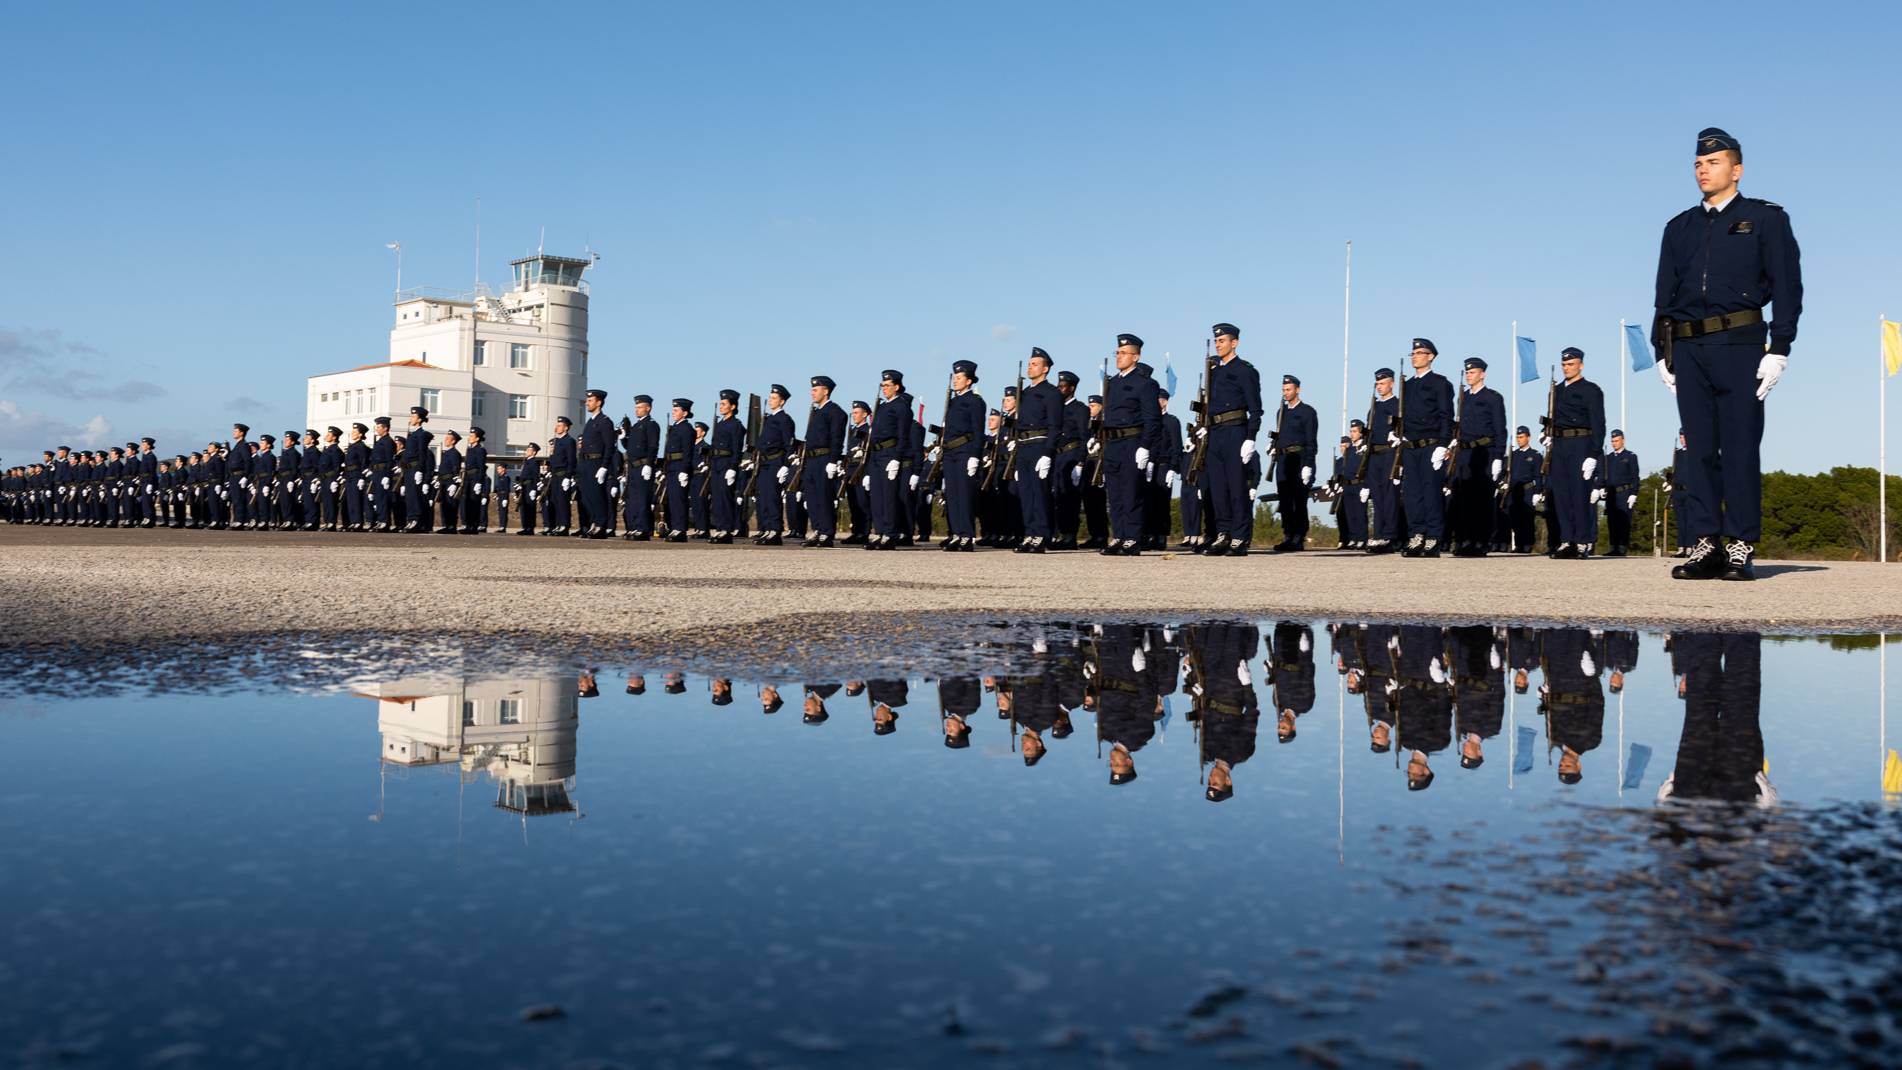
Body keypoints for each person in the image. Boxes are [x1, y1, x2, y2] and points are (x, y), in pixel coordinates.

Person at [1654, 127, 1802, 582]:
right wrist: (1664, 351)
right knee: (1697, 450)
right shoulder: (1679, 227)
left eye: (1713, 162)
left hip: (1740, 344)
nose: (1703, 169)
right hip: (1690, 348)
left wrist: (1779, 348)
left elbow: (1788, 287)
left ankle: (1739, 545)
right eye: (1698, 163)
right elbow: (1664, 295)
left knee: (1739, 448)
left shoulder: (1765, 219)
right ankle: (1705, 545)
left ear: (1736, 170)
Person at [1197, 323, 1264, 556]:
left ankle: (1239, 537)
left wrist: (1251, 437)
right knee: (1218, 488)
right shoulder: (1214, 372)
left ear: (1234, 343)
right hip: (1215, 433)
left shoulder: (1245, 371)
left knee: (1236, 487)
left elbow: (1255, 409)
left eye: (1222, 341)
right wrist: (1206, 426)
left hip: (1236, 431)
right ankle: (1223, 533)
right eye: (1216, 341)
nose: (1218, 344)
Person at [1100, 334, 1164, 556]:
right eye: (1117, 352)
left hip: (1132, 442)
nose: (1119, 356)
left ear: (1135, 357)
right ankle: (1118, 535)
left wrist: (1145, 446)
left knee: (1131, 493)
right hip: (1113, 443)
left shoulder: (1145, 383)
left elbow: (1152, 419)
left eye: (1123, 353)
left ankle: (1132, 538)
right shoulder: (1113, 383)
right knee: (1114, 494)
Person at [1542, 347, 1606, 559]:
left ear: (1581, 365)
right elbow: (1551, 419)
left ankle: (1582, 541)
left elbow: (1598, 423)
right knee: (1561, 495)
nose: (1566, 368)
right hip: (1559, 446)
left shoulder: (1591, 390)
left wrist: (1593, 454)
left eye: (1570, 364)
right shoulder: (1556, 391)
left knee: (1580, 495)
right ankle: (1566, 540)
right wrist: (1547, 435)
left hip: (1581, 443)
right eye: (1564, 364)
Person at [1397, 340, 1454, 557]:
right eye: (1412, 353)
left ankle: (1433, 537)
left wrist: (1443, 445)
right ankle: (1417, 534)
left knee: (1431, 493)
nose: (1415, 356)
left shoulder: (1440, 383)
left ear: (1431, 356)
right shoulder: (1407, 385)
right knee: (1412, 495)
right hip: (1410, 446)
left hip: (1430, 446)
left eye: (1419, 353)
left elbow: (1446, 416)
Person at [1451, 358, 1507, 557]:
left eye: (1472, 372)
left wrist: (1499, 456)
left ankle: (1482, 541)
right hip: (1465, 454)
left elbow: (1501, 429)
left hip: (1485, 452)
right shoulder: (1463, 398)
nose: (1468, 375)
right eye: (1467, 372)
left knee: (1482, 500)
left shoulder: (1493, 398)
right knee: (1464, 499)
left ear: (1482, 374)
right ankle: (1466, 539)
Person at [1011, 348, 1065, 552]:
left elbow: (1055, 426)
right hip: (1024, 447)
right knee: (1026, 493)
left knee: (1040, 493)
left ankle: (1042, 535)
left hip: (1039, 445)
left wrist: (1048, 453)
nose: (1030, 367)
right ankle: (1030, 533)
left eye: (1034, 364)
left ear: (1045, 369)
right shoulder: (1025, 393)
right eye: (1029, 363)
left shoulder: (1051, 393)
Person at [937, 360, 987, 552]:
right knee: (953, 495)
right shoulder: (954, 401)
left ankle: (967, 535)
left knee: (965, 495)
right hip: (950, 452)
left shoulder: (975, 402)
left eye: (959, 378)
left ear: (969, 381)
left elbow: (977, 430)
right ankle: (957, 533)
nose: (955, 381)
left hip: (965, 451)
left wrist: (975, 455)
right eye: (955, 378)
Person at [865, 371, 913, 550]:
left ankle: (890, 534)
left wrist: (896, 458)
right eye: (882, 386)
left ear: (897, 387)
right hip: (876, 455)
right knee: (877, 496)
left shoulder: (901, 406)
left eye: (887, 385)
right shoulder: (883, 407)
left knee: (889, 496)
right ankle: (880, 532)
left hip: (889, 453)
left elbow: (903, 435)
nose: (884, 389)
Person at [1270, 375, 1318, 552]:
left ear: (1297, 389)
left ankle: (1299, 536)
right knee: (1284, 500)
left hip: (1299, 459)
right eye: (1284, 390)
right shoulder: (1281, 412)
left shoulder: (1307, 412)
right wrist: (1274, 445)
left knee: (1299, 501)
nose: (1286, 393)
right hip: (1283, 461)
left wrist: (1308, 464)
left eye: (1289, 389)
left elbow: (1311, 441)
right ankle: (1288, 534)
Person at [801, 377, 847, 547]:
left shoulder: (835, 412)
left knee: (824, 496)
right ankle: (818, 529)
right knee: (812, 497)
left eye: (815, 389)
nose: (812, 392)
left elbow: (836, 439)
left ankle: (827, 533)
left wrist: (833, 461)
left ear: (825, 391)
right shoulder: (817, 412)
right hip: (812, 459)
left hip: (824, 458)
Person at [1363, 369, 1402, 553]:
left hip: (1389, 454)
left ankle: (1390, 536)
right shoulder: (1374, 408)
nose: (1379, 387)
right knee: (1377, 498)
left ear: (1391, 384)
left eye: (1382, 383)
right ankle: (1378, 534)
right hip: (1374, 455)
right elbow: (1368, 430)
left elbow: (1402, 429)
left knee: (1389, 497)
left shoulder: (1398, 405)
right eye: (1377, 384)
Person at [753, 384, 796, 544]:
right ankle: (767, 529)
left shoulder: (784, 420)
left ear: (782, 401)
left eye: (774, 398)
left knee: (772, 498)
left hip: (775, 462)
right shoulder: (769, 419)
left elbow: (788, 444)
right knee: (763, 498)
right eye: (770, 397)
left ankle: (775, 531)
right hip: (764, 463)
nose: (770, 400)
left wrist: (786, 464)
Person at [705, 389, 746, 543]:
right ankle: (720, 528)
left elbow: (736, 448)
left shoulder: (735, 425)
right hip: (716, 463)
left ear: (733, 406)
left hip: (726, 463)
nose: (721, 406)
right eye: (721, 404)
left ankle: (726, 530)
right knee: (717, 498)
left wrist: (732, 467)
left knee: (725, 498)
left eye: (724, 404)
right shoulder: (721, 424)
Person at [576, 388, 614, 539]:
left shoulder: (604, 422)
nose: (587, 403)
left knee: (597, 496)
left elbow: (609, 446)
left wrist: (604, 466)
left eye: (590, 400)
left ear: (598, 402)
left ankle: (601, 526)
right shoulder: (590, 422)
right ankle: (593, 524)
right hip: (585, 463)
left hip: (596, 462)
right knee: (587, 497)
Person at [621, 395, 660, 541]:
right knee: (632, 499)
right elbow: (630, 448)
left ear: (648, 408)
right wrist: (623, 438)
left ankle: (643, 528)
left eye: (639, 407)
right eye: (636, 407)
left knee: (642, 499)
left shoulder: (651, 424)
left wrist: (649, 464)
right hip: (633, 467)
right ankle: (634, 526)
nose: (636, 409)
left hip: (643, 466)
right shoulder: (636, 426)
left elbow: (653, 446)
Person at [660, 400, 695, 541]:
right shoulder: (675, 428)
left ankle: (680, 529)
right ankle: (675, 527)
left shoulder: (687, 429)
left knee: (679, 500)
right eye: (673, 410)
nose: (673, 413)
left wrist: (684, 470)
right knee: (673, 500)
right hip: (671, 467)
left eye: (676, 410)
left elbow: (688, 451)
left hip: (680, 466)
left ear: (685, 413)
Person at [1602, 430, 1639, 556]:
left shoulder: (1630, 456)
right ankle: (1613, 546)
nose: (1614, 443)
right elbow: (1605, 476)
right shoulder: (1609, 458)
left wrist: (1634, 493)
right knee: (1612, 521)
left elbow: (1635, 477)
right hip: (1611, 494)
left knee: (1623, 521)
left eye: (1616, 441)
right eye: (1612, 441)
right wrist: (1602, 487)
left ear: (1623, 440)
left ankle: (1622, 547)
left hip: (1625, 492)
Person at [1506, 426, 1541, 553]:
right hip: (1514, 491)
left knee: (1527, 519)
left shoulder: (1535, 455)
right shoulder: (1514, 455)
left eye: (1521, 437)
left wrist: (1537, 492)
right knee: (1515, 518)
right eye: (1517, 437)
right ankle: (1519, 544)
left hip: (1528, 490)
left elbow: (1538, 475)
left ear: (1528, 437)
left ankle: (1527, 544)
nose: (1519, 440)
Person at [545, 414, 576, 536]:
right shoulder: (557, 442)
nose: (556, 428)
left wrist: (568, 476)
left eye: (559, 425)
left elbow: (571, 460)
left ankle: (564, 525)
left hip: (563, 474)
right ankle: (558, 524)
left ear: (566, 427)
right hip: (555, 475)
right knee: (555, 500)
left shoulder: (569, 441)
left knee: (563, 501)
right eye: (556, 425)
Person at [434, 429, 463, 534]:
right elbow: (443, 469)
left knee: (451, 504)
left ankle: (451, 526)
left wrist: (454, 484)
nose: (445, 440)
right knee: (444, 505)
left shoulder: (455, 453)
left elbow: (455, 469)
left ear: (453, 441)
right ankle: (446, 525)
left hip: (450, 482)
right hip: (444, 482)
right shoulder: (447, 453)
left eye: (448, 439)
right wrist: (438, 479)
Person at [461, 426, 490, 534]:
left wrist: (479, 482)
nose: (469, 437)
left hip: (475, 478)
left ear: (477, 438)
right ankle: (468, 525)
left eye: (472, 436)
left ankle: (473, 526)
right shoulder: (470, 449)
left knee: (474, 502)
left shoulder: (480, 450)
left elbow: (481, 467)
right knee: (467, 502)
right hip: (468, 478)